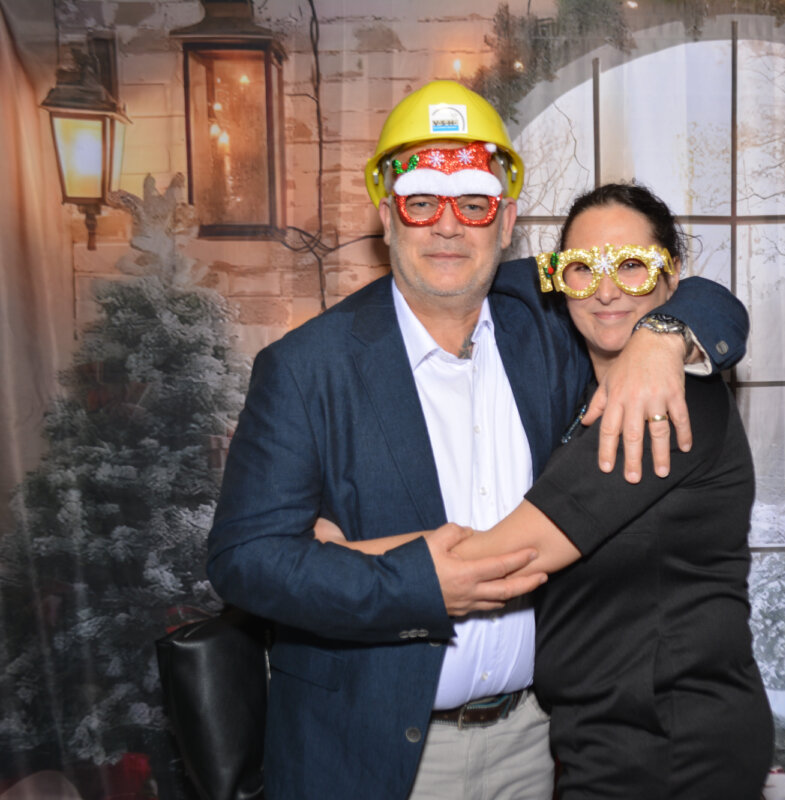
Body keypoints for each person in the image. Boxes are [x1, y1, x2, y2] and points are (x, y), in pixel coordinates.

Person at [206, 81, 748, 800]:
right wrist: (410, 582)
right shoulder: (306, 367)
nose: (447, 228)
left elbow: (691, 293)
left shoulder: (546, 321)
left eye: (473, 203)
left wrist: (664, 335)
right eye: (421, 202)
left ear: (506, 220)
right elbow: (244, 561)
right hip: (372, 754)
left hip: (534, 743)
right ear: (386, 214)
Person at [322, 183, 773, 798]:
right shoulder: (582, 391)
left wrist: (337, 556)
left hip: (667, 744)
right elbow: (480, 274)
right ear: (561, 281)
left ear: (672, 280)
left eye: (634, 266)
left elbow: (508, 556)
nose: (606, 290)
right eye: (583, 268)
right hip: (603, 734)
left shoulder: (662, 407)